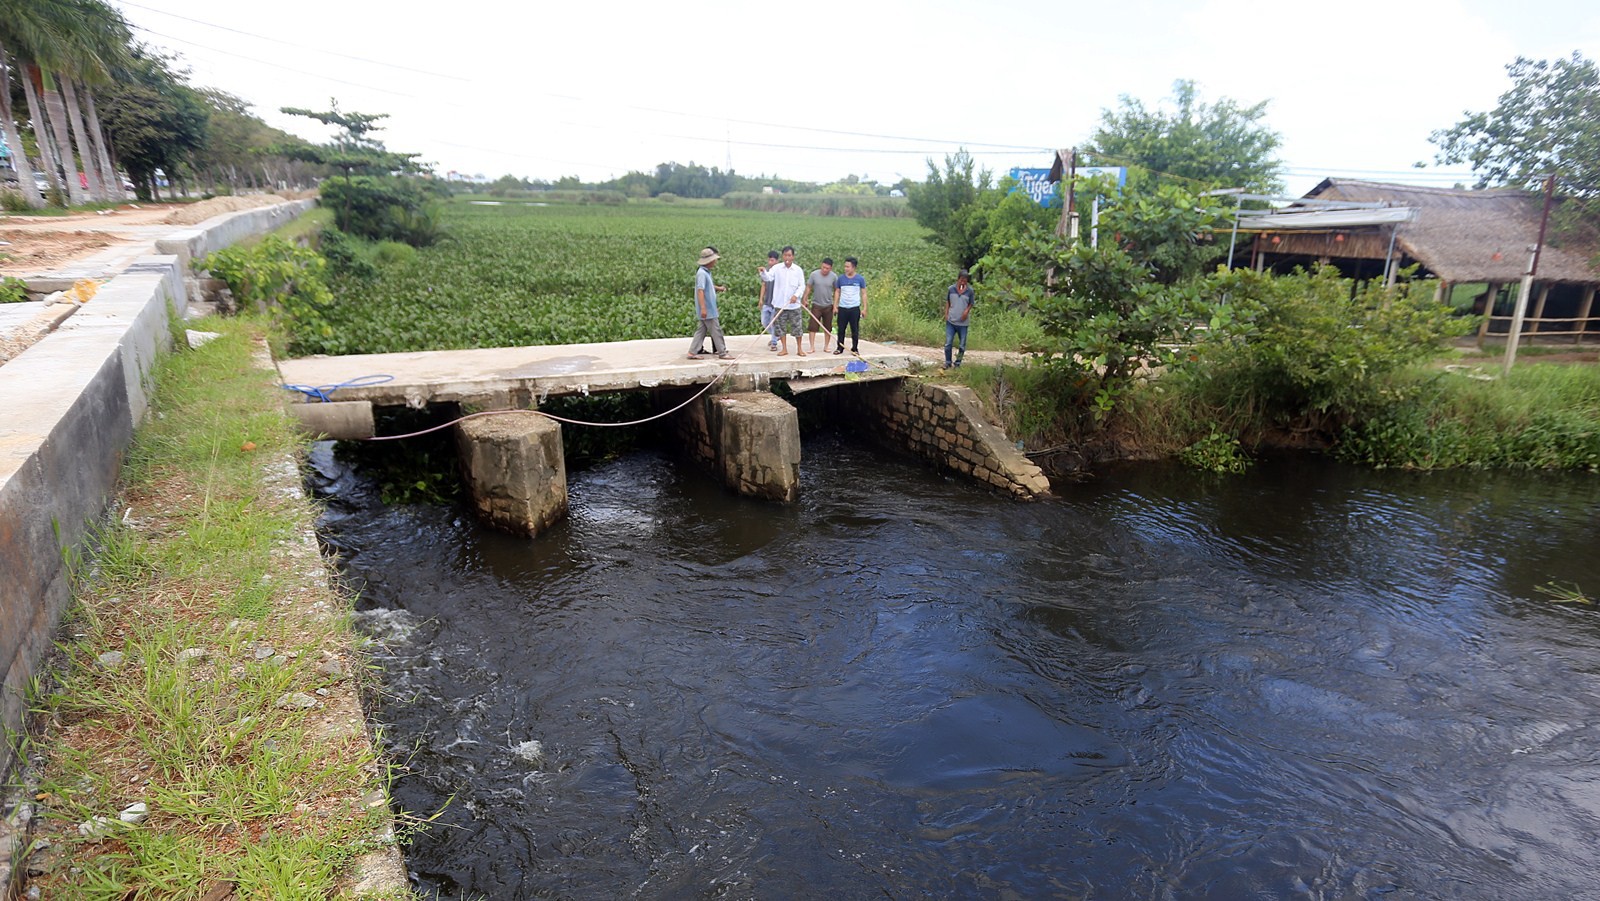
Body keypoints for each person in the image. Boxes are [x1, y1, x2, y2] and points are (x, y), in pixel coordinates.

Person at [761, 245, 807, 356]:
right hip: (780, 304)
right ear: (782, 256)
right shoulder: (776, 268)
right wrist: (763, 272)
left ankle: (799, 349)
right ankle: (784, 349)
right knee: (780, 328)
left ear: (793, 257)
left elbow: (802, 286)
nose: (787, 257)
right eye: (785, 255)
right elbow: (768, 278)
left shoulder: (797, 270)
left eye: (789, 255)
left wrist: (796, 295)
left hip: (794, 305)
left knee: (797, 328)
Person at [689, 246, 733, 360]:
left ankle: (692, 352)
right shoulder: (702, 274)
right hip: (708, 308)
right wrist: (703, 308)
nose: (715, 261)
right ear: (709, 261)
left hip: (709, 308)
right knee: (715, 329)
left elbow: (707, 287)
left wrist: (718, 288)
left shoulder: (705, 272)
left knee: (701, 330)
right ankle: (722, 352)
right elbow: (700, 291)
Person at [802, 258, 839, 354]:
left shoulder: (834, 277)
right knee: (812, 327)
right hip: (816, 305)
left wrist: (835, 305)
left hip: (828, 305)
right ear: (821, 265)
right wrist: (805, 298)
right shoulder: (814, 275)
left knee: (828, 327)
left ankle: (826, 346)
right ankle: (812, 347)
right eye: (823, 267)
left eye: (827, 268)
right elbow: (809, 287)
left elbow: (837, 290)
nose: (825, 270)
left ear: (831, 268)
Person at [832, 256, 866, 355]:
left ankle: (855, 348)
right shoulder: (841, 279)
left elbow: (864, 293)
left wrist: (864, 308)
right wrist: (835, 306)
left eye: (848, 267)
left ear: (854, 267)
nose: (846, 269)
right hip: (843, 308)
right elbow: (837, 292)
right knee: (841, 329)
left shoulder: (860, 279)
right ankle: (840, 347)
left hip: (854, 308)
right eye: (845, 266)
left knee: (855, 329)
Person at [943, 267, 974, 369]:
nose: (963, 282)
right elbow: (948, 302)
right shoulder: (951, 289)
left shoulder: (970, 291)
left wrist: (966, 311)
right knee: (948, 343)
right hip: (951, 321)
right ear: (958, 279)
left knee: (962, 345)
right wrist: (946, 314)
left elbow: (971, 303)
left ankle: (958, 363)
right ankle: (948, 362)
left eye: (965, 281)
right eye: (961, 280)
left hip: (963, 323)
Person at [756, 250, 780, 350]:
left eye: (772, 260)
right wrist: (761, 299)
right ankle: (777, 336)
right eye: (769, 260)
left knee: (773, 322)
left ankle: (774, 343)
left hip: (776, 303)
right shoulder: (766, 272)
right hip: (767, 301)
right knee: (765, 322)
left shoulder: (779, 272)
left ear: (777, 261)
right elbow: (764, 285)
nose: (770, 262)